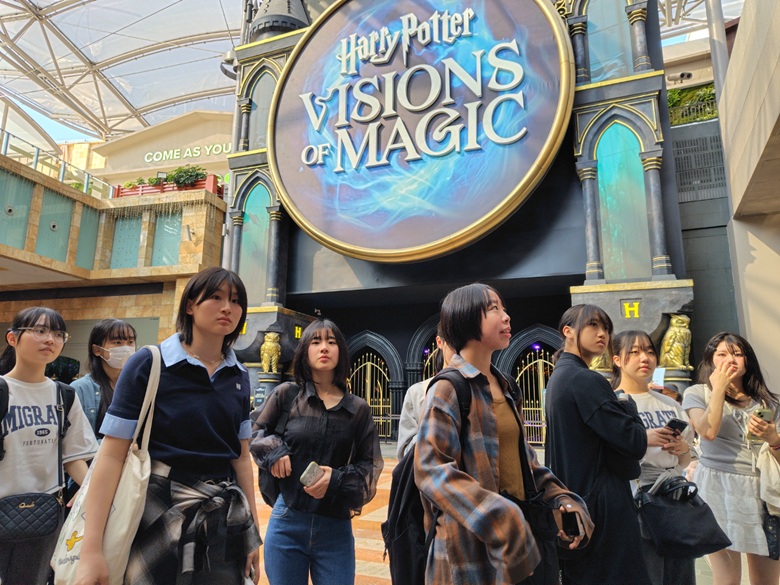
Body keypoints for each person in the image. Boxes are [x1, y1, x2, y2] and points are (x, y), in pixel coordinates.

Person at [74, 267, 261, 585]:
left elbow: (241, 457)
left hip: (222, 516)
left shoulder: (239, 376)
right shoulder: (150, 363)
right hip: (158, 509)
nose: (227, 308)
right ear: (190, 305)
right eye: (216, 297)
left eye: (235, 300)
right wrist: (90, 549)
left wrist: (251, 533)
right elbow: (111, 455)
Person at [414, 283, 593, 585]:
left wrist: (561, 497)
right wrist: (502, 516)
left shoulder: (506, 386)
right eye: (493, 309)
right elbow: (431, 471)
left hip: (521, 543)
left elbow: (525, 462)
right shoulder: (448, 388)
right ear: (465, 318)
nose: (506, 316)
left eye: (504, 308)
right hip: (468, 552)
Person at [250, 318, 383, 585]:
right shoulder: (287, 395)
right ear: (305, 351)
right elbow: (256, 432)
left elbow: (369, 466)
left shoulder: (357, 409)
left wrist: (335, 480)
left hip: (335, 527)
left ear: (340, 351)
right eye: (316, 341)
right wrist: (275, 451)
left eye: (331, 342)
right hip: (288, 520)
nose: (324, 347)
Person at [544, 304, 651, 585]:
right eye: (593, 325)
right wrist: (628, 407)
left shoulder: (559, 378)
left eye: (606, 327)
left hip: (577, 501)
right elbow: (634, 442)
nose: (602, 333)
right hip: (603, 507)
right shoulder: (585, 380)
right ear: (568, 331)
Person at [0, 307, 98, 585]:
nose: (50, 340)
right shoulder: (3, 389)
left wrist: (93, 496)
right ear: (12, 338)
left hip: (42, 516)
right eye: (40, 331)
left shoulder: (64, 395)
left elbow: (74, 457)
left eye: (58, 334)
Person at [682, 332, 780, 585]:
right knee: (727, 579)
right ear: (711, 360)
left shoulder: (768, 402)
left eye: (737, 354)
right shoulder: (697, 393)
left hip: (762, 490)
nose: (731, 360)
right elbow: (708, 431)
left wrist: (773, 438)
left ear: (748, 360)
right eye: (722, 354)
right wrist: (718, 388)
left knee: (767, 580)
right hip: (718, 488)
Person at [611, 330, 695, 585]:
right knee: (647, 572)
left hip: (673, 497)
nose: (644, 358)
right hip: (635, 498)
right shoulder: (613, 403)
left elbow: (686, 460)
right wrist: (642, 438)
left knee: (680, 573)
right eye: (634, 352)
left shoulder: (670, 404)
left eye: (649, 351)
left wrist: (682, 449)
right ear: (617, 359)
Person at [71, 319, 137, 439]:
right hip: (97, 451)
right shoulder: (80, 389)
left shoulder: (139, 386)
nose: (126, 348)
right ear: (97, 350)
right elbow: (76, 440)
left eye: (131, 342)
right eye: (117, 342)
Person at [397, 329, 454, 459]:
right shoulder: (418, 392)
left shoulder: (488, 389)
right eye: (455, 340)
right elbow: (405, 455)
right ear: (440, 342)